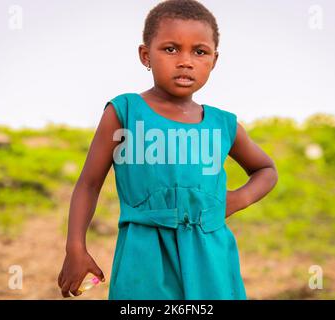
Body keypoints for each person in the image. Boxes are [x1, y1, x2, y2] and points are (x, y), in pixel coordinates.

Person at [58, 0, 278, 300]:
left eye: (199, 52)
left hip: (212, 256)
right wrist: (75, 248)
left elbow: (266, 170)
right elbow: (89, 183)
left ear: (214, 60)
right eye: (171, 49)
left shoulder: (222, 124)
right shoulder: (124, 112)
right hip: (145, 255)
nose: (185, 61)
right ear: (145, 55)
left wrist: (236, 200)